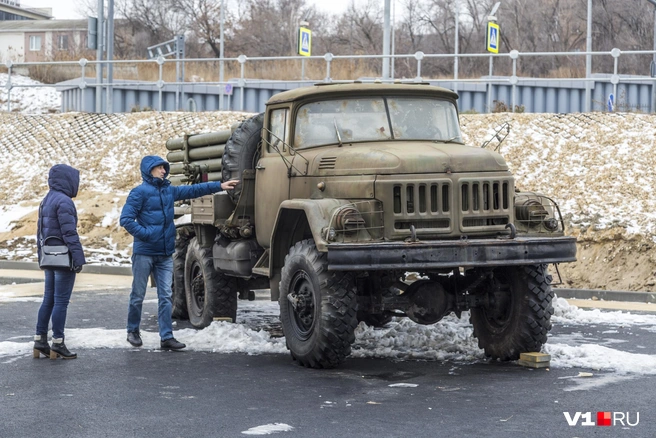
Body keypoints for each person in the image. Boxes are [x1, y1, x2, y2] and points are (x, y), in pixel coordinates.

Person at [120, 155, 238, 351]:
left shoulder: (168, 191)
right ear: (149, 170)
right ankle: (133, 330)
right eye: (159, 168)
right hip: (145, 253)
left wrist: (220, 185)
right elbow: (126, 219)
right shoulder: (138, 193)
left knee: (166, 296)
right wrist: (147, 234)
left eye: (164, 168)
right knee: (138, 294)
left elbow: (193, 190)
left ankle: (166, 336)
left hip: (165, 253)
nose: (164, 171)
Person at [34, 164, 86, 360]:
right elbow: (69, 233)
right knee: (61, 301)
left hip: (49, 257)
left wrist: (41, 256)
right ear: (67, 180)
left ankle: (39, 340)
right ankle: (58, 342)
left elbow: (40, 232)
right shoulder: (64, 201)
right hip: (64, 258)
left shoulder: (46, 200)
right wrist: (78, 258)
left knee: (49, 299)